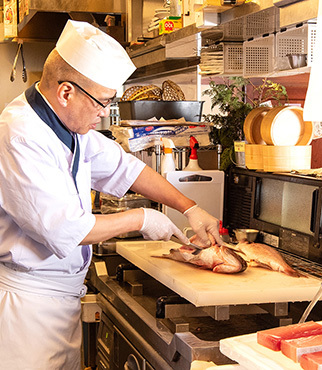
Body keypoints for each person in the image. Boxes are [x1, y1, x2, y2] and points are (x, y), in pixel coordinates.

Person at [0, 20, 223, 369]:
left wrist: (190, 206)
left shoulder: (69, 124)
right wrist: (142, 217)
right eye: (102, 102)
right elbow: (65, 230)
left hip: (60, 304)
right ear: (66, 92)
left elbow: (127, 169)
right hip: (28, 311)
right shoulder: (21, 135)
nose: (105, 112)